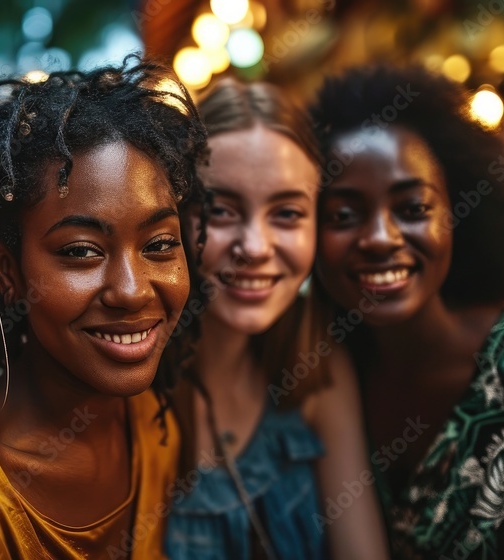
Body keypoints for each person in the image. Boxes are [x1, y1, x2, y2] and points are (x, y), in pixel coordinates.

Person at [0, 59, 208, 559]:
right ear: (8, 270)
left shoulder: (153, 423)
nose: (132, 291)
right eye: (81, 251)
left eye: (159, 244)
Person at [311, 64, 504, 558]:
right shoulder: (313, 371)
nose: (380, 238)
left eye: (413, 209)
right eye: (343, 215)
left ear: (460, 215)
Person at [164, 79, 386, 560]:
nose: (256, 247)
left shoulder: (318, 363)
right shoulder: (132, 383)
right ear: (177, 215)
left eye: (286, 213)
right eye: (221, 210)